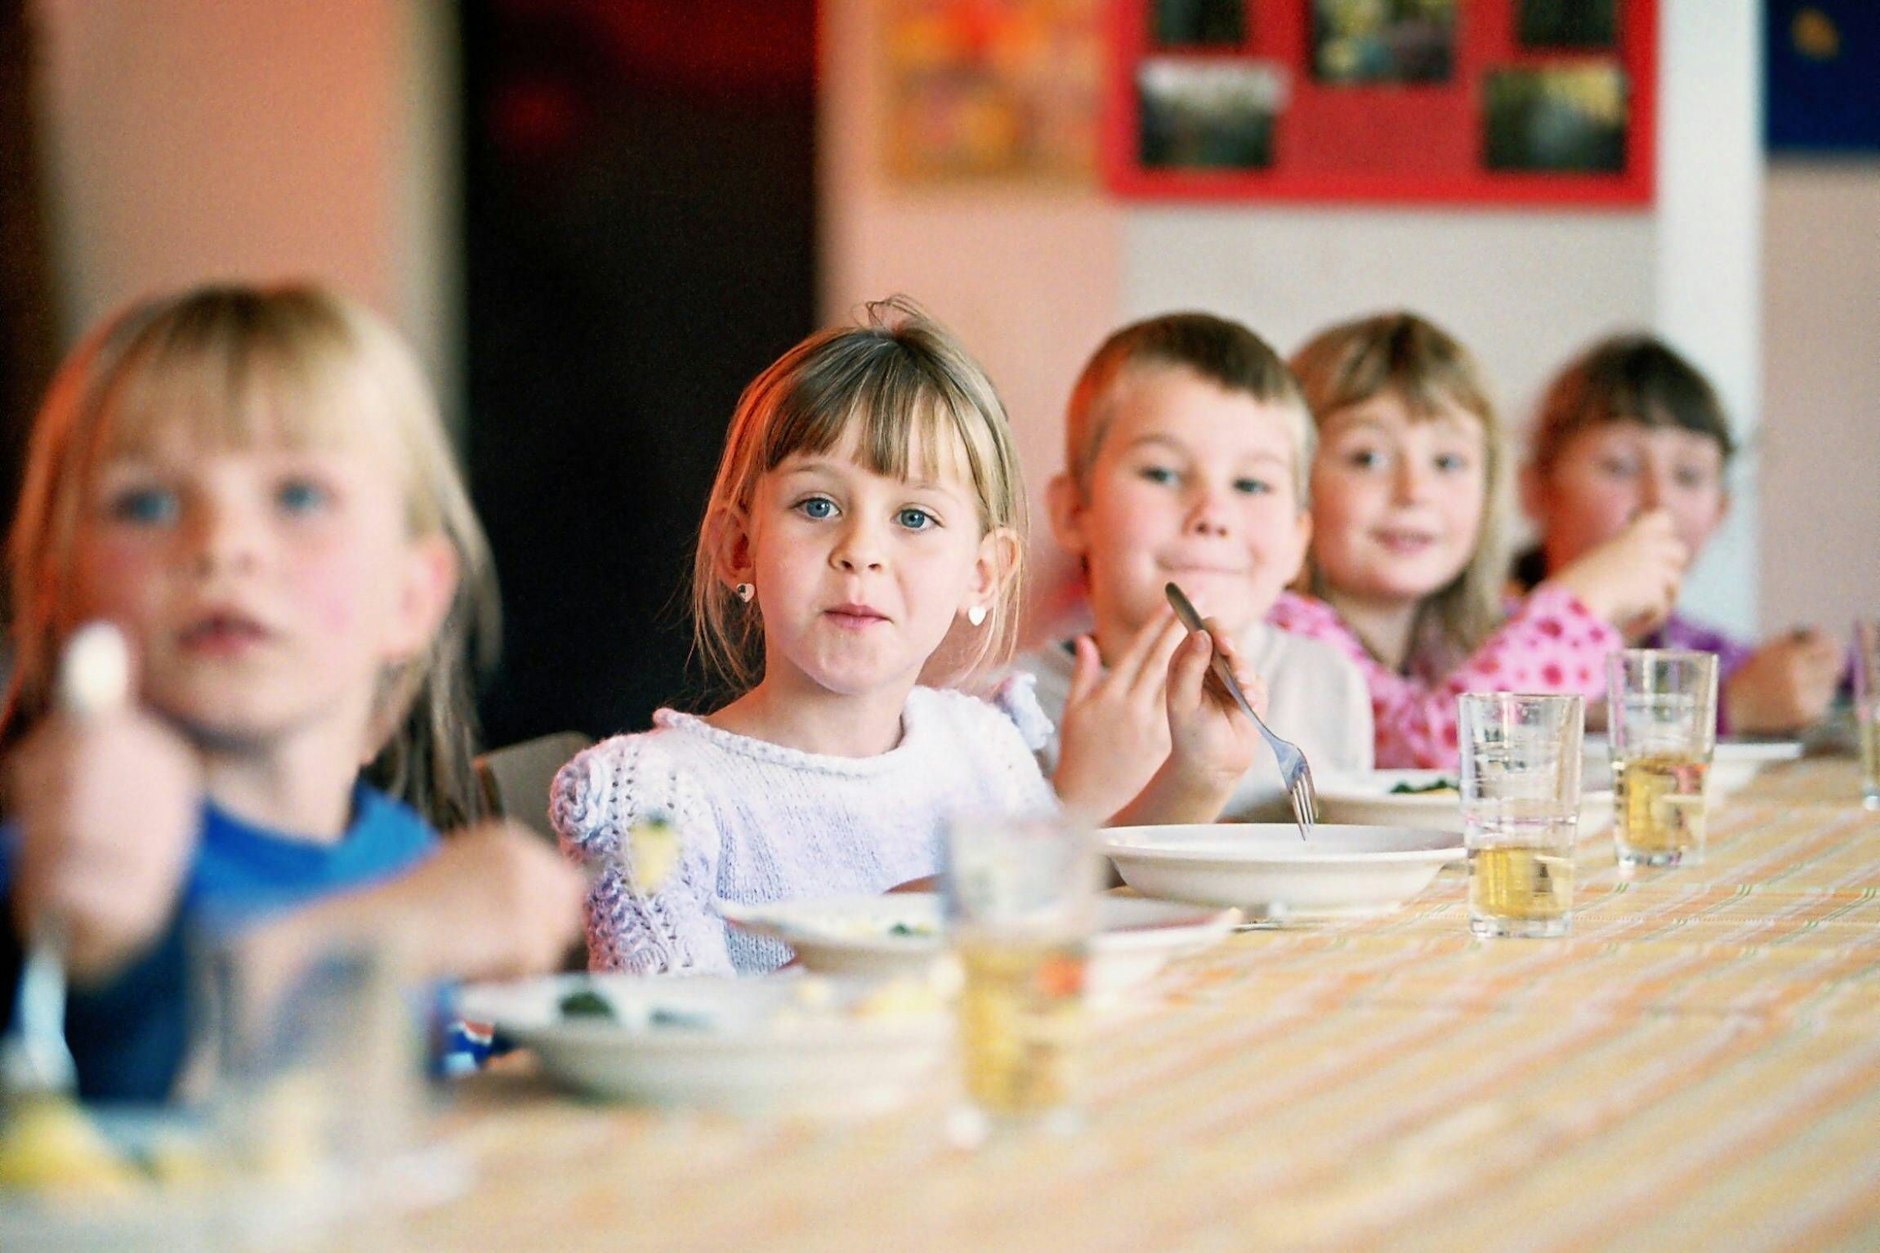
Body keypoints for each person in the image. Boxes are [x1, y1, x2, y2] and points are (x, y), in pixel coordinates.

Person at [553, 299, 1261, 975]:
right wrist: (895, 927)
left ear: (982, 574)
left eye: (914, 518)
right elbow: (668, 1043)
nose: (861, 549)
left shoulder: (979, 746)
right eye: (818, 504)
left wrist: (1198, 772)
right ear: (740, 547)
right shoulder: (652, 797)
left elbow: (1077, 891)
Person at [0, 282, 583, 1102]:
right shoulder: (62, 868)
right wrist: (395, 931)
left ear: (411, 596)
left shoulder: (404, 855)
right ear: (61, 592)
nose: (223, 543)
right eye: (148, 502)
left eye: (298, 496)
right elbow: (113, 1091)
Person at [1269, 311, 1687, 768]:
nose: (1415, 491)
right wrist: (1585, 602)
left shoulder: (1444, 642)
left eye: (1448, 462)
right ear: (1293, 479)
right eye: (1367, 457)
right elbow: (1427, 755)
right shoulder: (1285, 631)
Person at [1013, 312, 1371, 823]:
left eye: (1251, 485)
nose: (1211, 515)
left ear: (1297, 540)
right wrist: (1082, 804)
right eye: (1161, 473)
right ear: (1074, 512)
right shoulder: (1004, 709)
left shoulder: (1327, 684)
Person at [1514, 333, 1843, 735]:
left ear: (1720, 510)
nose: (1658, 501)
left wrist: (1824, 678)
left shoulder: (1696, 651)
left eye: (1689, 475)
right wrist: (1727, 709)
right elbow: (1506, 722)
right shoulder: (1478, 631)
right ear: (1536, 490)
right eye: (1619, 466)